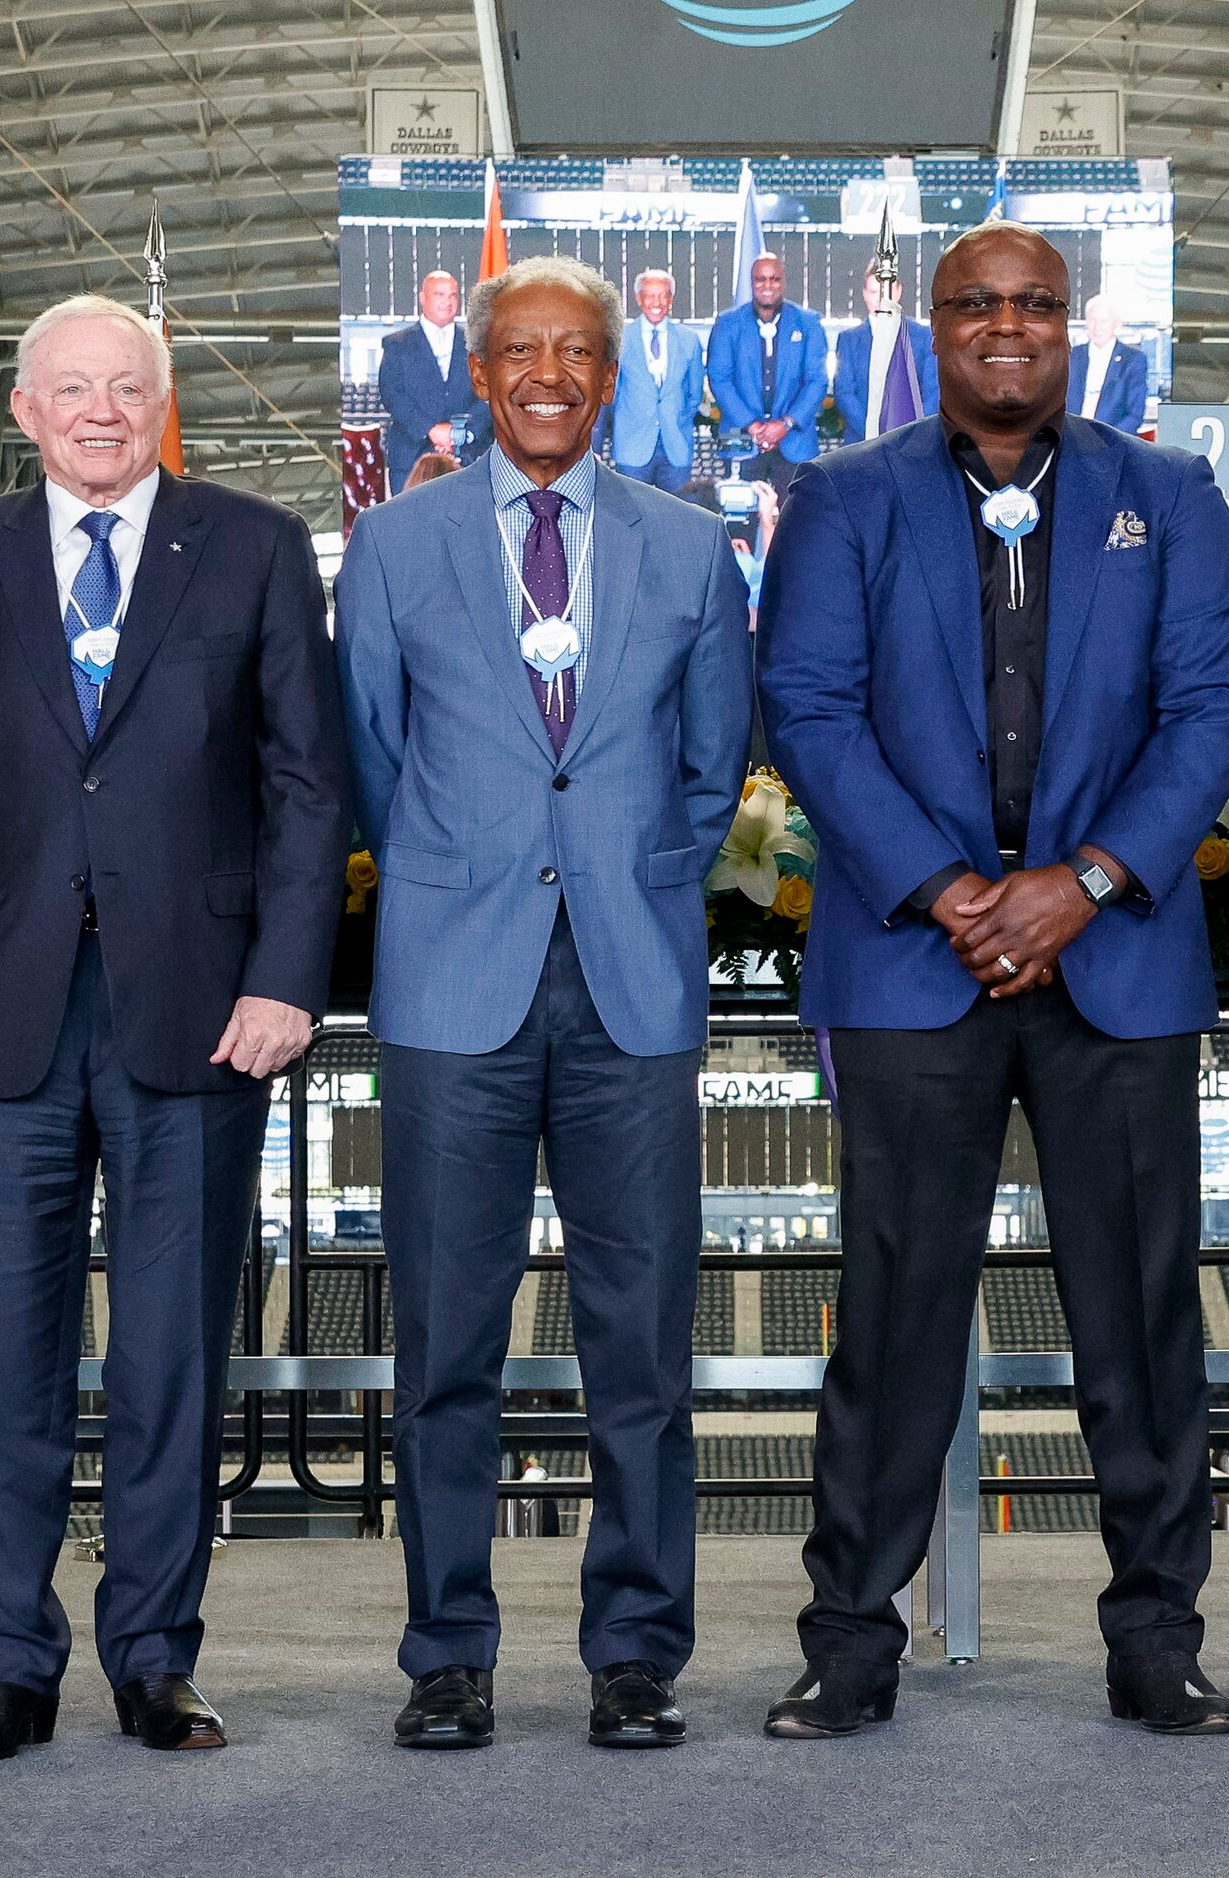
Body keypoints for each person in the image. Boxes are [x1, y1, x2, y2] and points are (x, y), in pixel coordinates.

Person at [756, 220, 1229, 1739]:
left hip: (1118, 965)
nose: (1005, 328)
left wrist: (1082, 884)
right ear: (933, 325)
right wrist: (952, 891)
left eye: (1034, 304)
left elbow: (1211, 712)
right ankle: (850, 1639)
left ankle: (1156, 1636)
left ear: (1072, 326)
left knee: (1142, 1324)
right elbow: (808, 708)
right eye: (975, 304)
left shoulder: (1167, 498)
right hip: (916, 965)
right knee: (893, 1322)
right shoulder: (841, 500)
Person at [0, 294, 350, 1762]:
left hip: (202, 1018)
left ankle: (154, 1654)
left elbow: (306, 787)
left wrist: (285, 979)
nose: (97, 411)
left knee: (168, 1358)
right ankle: (6, 1661)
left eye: (124, 388)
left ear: (160, 402)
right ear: (22, 410)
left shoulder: (257, 548)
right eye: (68, 389)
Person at [336, 256, 751, 1752]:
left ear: (613, 372)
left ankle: (634, 1652)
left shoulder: (694, 550)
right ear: (480, 368)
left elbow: (712, 771)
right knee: (445, 1342)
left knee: (635, 1347)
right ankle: (447, 1652)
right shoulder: (391, 546)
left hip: (630, 986)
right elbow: (374, 761)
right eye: (519, 349)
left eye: (578, 352)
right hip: (454, 986)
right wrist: (471, 870)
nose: (548, 376)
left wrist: (621, 869)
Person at [707, 254, 826, 487]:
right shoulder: (728, 323)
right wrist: (754, 426)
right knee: (738, 519)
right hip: (740, 438)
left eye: (774, 279)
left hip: (795, 440)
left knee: (797, 519)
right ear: (751, 283)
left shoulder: (808, 322)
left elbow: (817, 381)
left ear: (783, 282)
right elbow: (719, 379)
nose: (767, 286)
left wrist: (785, 425)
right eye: (760, 279)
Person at [380, 270, 490, 489]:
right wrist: (431, 429)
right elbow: (392, 395)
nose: (447, 302)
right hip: (411, 454)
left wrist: (460, 434)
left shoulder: (479, 345)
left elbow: (489, 393)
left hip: (469, 456)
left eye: (452, 295)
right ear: (423, 298)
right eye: (440, 294)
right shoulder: (397, 344)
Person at [606, 268, 707, 491]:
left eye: (663, 295)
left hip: (676, 445)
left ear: (671, 299)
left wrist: (676, 415)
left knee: (675, 518)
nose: (657, 302)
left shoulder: (689, 340)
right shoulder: (620, 339)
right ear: (638, 299)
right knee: (633, 519)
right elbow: (611, 393)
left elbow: (695, 394)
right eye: (650, 295)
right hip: (632, 446)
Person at [829, 268, 937, 443]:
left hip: (913, 443)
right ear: (864, 294)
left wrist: (907, 435)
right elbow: (844, 393)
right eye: (873, 292)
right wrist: (873, 434)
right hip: (860, 444)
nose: (881, 299)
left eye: (886, 292)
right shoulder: (848, 340)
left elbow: (933, 393)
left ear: (899, 291)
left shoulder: (923, 337)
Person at [1066, 294, 1149, 431]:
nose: (1097, 326)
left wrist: (1105, 440)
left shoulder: (1133, 361)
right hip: (1070, 439)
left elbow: (1135, 415)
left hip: (1113, 442)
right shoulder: (1071, 355)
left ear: (1117, 324)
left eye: (1104, 321)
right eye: (1093, 320)